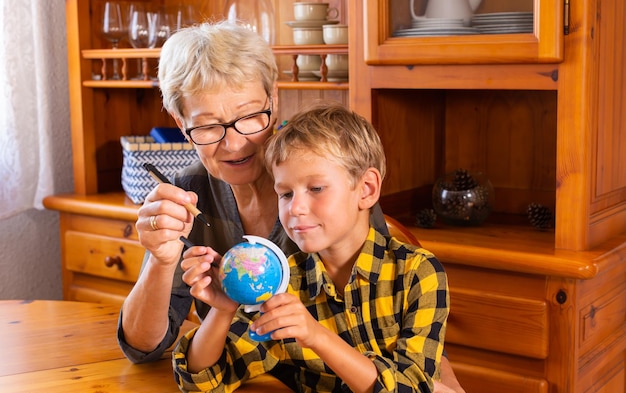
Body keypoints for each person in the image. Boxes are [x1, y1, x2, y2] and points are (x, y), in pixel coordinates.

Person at [117, 21, 465, 393]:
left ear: (274, 100)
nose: (234, 144)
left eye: (250, 116)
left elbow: (378, 323)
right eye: (207, 126)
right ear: (180, 123)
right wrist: (161, 259)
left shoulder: (324, 172)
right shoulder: (187, 192)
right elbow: (147, 351)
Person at [173, 103, 449, 392]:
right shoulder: (282, 284)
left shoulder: (418, 273)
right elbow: (202, 380)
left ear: (366, 189)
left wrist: (315, 335)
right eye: (286, 193)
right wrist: (222, 310)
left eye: (316, 188)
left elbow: (414, 388)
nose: (296, 208)